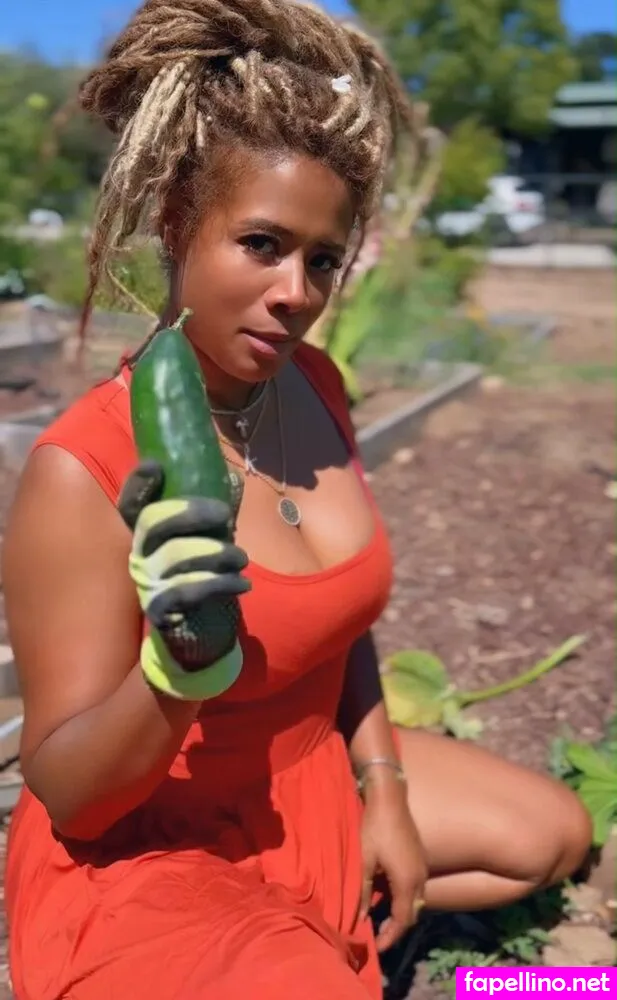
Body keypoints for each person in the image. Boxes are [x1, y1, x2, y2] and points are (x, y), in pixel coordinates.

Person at [2, 2, 592, 998]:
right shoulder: (82, 466)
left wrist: (382, 785)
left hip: (303, 773)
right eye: (262, 243)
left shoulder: (313, 385)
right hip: (150, 844)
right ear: (177, 223)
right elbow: (70, 796)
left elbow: (336, 627)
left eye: (320, 258)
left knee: (551, 836)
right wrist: (176, 672)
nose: (296, 292)